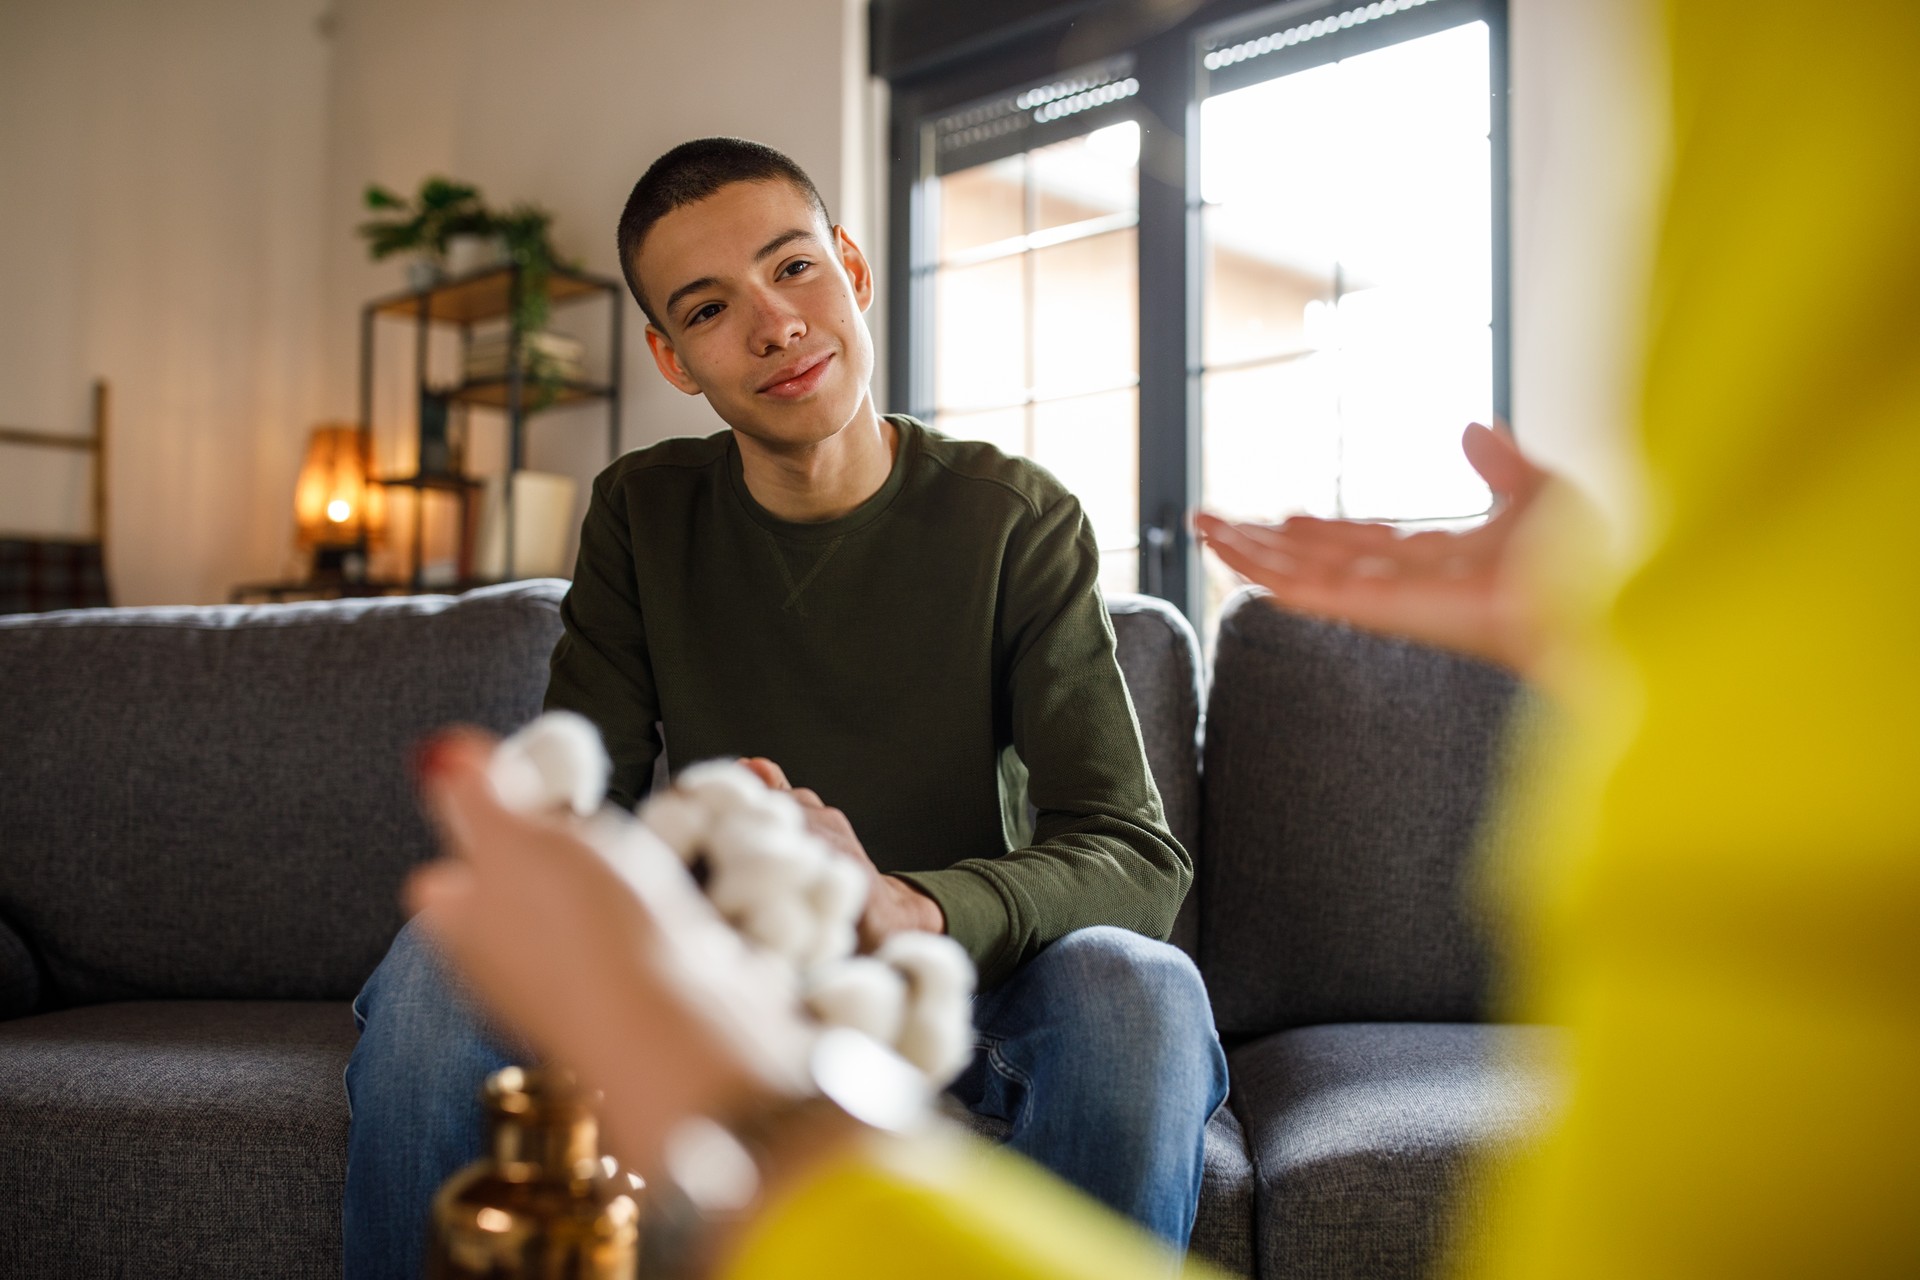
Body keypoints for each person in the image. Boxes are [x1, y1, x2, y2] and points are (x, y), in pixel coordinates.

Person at [341, 138, 1227, 1278]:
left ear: (852, 268)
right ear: (672, 357)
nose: (774, 324)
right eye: (712, 308)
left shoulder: (1015, 518)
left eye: (792, 268)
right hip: (733, 970)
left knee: (1140, 989)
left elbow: (1132, 852)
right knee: (434, 958)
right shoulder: (641, 513)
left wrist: (902, 904)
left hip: (960, 983)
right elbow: (590, 805)